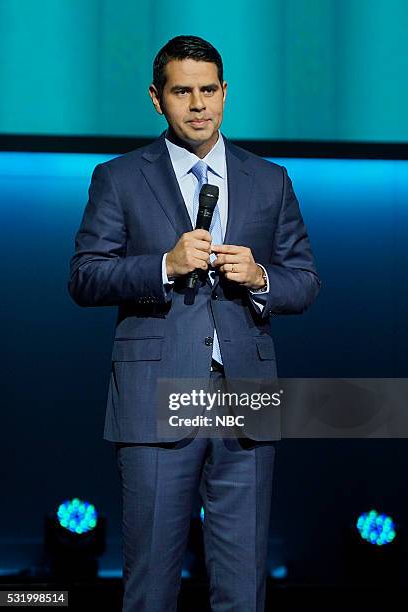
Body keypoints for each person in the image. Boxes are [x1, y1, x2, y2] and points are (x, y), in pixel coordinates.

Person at [68, 35, 320, 612]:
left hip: (247, 399)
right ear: (157, 99)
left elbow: (304, 280)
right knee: (152, 585)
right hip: (157, 394)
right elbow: (84, 276)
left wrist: (260, 278)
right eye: (183, 92)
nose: (199, 104)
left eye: (209, 90)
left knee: (242, 586)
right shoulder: (120, 177)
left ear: (226, 93)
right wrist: (163, 265)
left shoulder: (270, 179)